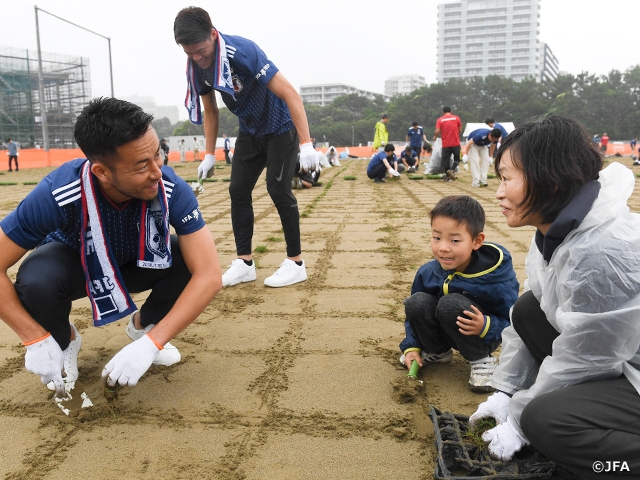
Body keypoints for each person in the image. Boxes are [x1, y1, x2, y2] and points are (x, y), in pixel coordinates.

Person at [0, 97, 222, 396]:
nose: (157, 171)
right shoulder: (57, 193)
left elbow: (209, 274)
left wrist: (152, 342)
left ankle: (145, 326)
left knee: (185, 257)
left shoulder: (169, 188)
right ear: (102, 172)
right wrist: (34, 339)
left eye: (158, 155)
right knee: (37, 279)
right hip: (74, 264)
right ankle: (63, 340)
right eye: (142, 165)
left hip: (136, 261)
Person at [469, 114, 640, 478]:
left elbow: (590, 356)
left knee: (545, 422)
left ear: (550, 181)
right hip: (621, 353)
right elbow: (536, 306)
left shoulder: (601, 249)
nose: (498, 192)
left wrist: (520, 420)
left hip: (622, 361)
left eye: (507, 178)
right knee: (529, 309)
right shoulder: (558, 230)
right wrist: (506, 390)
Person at [175, 7, 316, 288]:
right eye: (189, 53)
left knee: (278, 189)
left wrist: (306, 143)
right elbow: (211, 111)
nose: (197, 58)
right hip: (250, 131)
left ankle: (296, 262)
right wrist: (209, 154)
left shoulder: (243, 52)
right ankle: (245, 262)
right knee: (237, 190)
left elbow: (290, 94)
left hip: (280, 127)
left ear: (213, 35)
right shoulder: (196, 66)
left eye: (201, 50)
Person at [399, 195, 518, 392]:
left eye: (454, 240)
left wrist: (486, 325)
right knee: (415, 302)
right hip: (444, 328)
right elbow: (413, 318)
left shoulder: (495, 278)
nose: (443, 247)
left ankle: (481, 360)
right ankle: (438, 352)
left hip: (481, 334)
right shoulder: (427, 272)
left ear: (477, 241)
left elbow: (512, 321)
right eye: (436, 238)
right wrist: (412, 346)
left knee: (450, 303)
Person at [433, 106, 462, 178]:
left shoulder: (440, 120)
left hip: (446, 144)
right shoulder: (456, 118)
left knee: (445, 161)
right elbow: (460, 130)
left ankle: (447, 176)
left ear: (443, 112)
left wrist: (435, 137)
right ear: (451, 111)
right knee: (457, 159)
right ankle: (452, 170)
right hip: (455, 143)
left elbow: (437, 131)